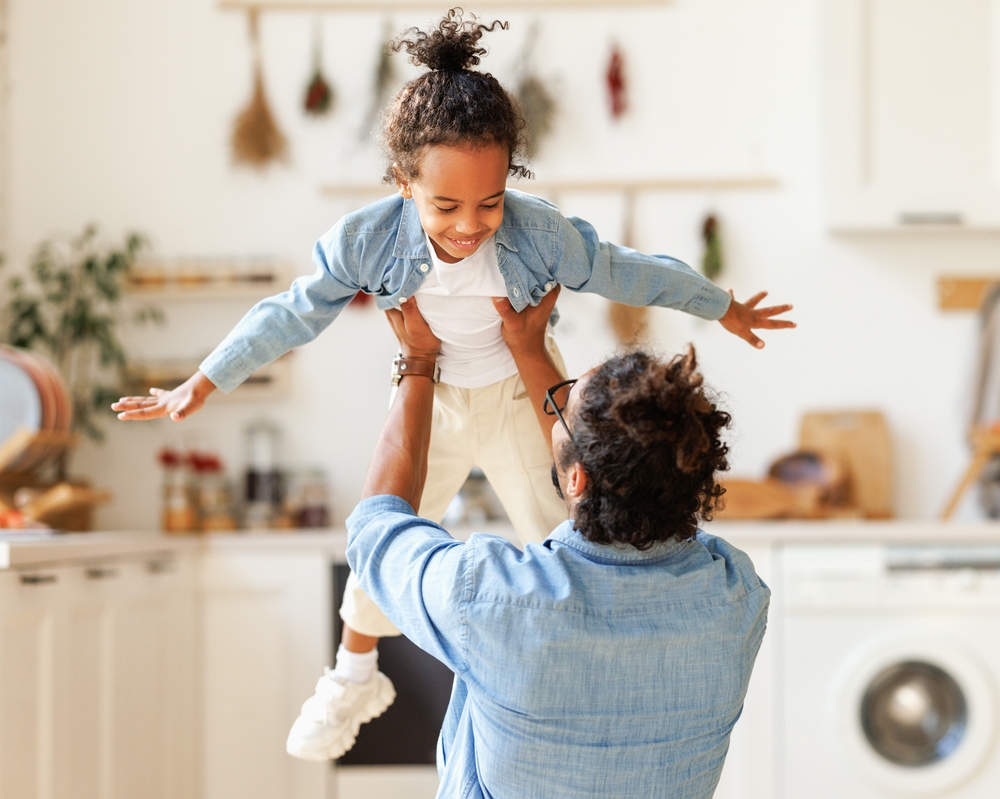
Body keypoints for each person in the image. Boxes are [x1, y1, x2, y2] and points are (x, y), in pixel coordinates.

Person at [112, 9, 791, 761]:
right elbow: (293, 312)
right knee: (384, 533)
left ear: (510, 182)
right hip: (428, 400)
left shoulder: (542, 235)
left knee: (572, 533)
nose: (471, 225)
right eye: (446, 205)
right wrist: (206, 379)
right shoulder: (364, 241)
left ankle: (586, 674)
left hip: (518, 394)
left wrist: (719, 303)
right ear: (403, 182)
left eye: (490, 201)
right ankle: (353, 672)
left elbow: (628, 269)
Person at [346, 286, 770, 799]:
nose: (556, 408)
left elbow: (376, 529)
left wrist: (417, 363)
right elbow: (614, 471)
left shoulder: (492, 596)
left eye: (563, 405)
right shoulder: (735, 593)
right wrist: (529, 350)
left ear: (576, 480)